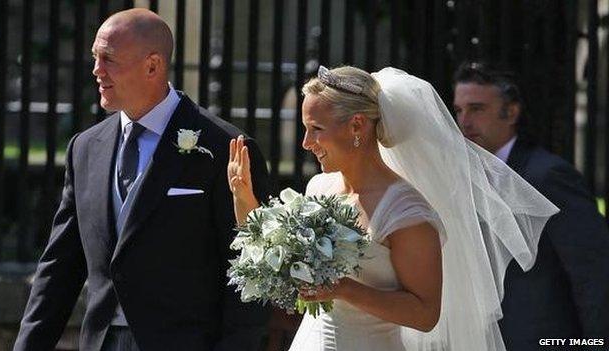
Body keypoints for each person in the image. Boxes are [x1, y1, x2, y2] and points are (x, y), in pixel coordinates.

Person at [228, 65, 558, 350]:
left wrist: (344, 289)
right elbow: (275, 263)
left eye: (316, 129)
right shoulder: (320, 187)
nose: (305, 143)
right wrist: (243, 197)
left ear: (357, 126)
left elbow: (425, 314)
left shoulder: (407, 211)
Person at [13, 8, 269, 351]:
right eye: (94, 57)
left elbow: (249, 270)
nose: (96, 70)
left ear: (153, 65)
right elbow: (59, 267)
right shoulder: (85, 149)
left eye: (109, 59)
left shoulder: (225, 147)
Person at [453, 61, 609, 350]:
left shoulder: (548, 175)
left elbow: (594, 273)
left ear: (511, 112)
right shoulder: (458, 176)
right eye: (459, 110)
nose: (464, 121)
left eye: (477, 108)